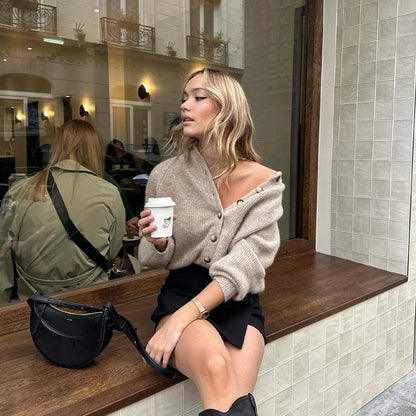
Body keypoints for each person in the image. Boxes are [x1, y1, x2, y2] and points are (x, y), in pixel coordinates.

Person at [138, 68, 284, 415]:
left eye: (198, 97)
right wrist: (160, 243)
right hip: (181, 293)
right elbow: (151, 257)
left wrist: (180, 321)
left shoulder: (265, 184)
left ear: (226, 107)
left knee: (238, 400)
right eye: (184, 98)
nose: (185, 105)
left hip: (237, 299)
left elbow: (247, 262)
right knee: (218, 369)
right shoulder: (165, 176)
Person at [0, 119, 126, 303]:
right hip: (91, 302)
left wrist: (4, 307)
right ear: (93, 150)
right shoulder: (109, 193)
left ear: (57, 146)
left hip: (34, 304)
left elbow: (2, 253)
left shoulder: (20, 190)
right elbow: (113, 249)